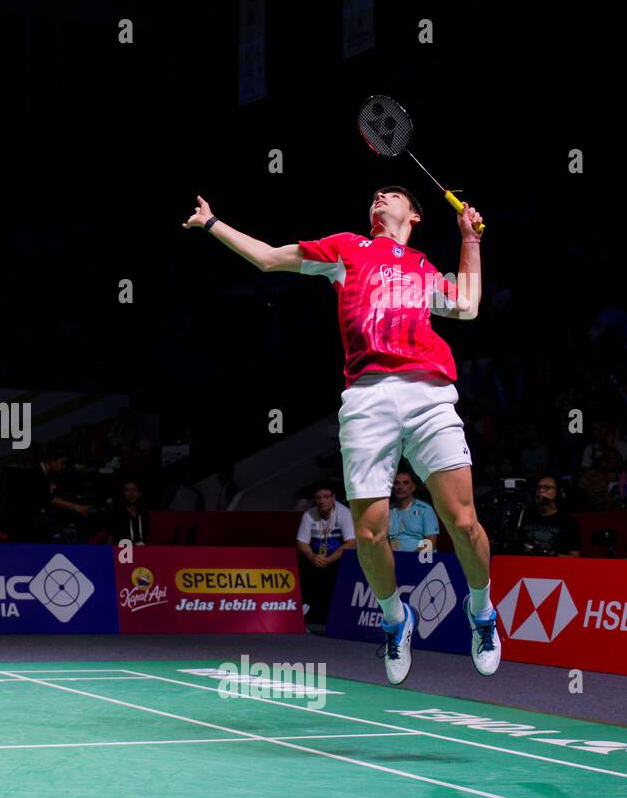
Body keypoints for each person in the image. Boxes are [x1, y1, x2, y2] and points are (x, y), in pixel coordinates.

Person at [187, 186, 499, 683]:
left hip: (429, 392)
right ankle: (396, 621)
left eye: (392, 194)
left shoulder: (422, 266)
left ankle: (481, 613)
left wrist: (469, 239)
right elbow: (269, 259)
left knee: (463, 523)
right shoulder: (346, 250)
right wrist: (212, 224)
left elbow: (467, 305)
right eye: (375, 194)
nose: (379, 196)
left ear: (414, 215)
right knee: (371, 534)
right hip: (368, 397)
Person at [295, 485, 355, 629]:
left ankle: (336, 615)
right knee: (301, 563)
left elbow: (351, 542)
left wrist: (329, 560)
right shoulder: (309, 515)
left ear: (333, 498)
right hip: (315, 557)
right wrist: (312, 556)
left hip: (336, 558)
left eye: (326, 497)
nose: (322, 501)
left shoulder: (344, 513)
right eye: (318, 498)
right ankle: (302, 612)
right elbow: (301, 542)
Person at [523, 476, 581, 556]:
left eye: (547, 487)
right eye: (539, 487)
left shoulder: (568, 522)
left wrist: (552, 555)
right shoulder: (525, 516)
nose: (541, 490)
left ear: (558, 492)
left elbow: (574, 556)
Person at [388, 470, 439, 553]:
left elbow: (430, 542)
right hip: (392, 558)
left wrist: (410, 559)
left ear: (413, 487)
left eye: (405, 483)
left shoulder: (425, 509)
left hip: (419, 558)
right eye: (397, 483)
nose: (400, 487)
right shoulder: (387, 511)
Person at [108, 479, 149, 545]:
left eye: (134, 490)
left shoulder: (144, 513)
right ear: (123, 494)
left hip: (142, 550)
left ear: (139, 494)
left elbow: (146, 536)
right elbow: (111, 537)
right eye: (127, 490)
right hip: (123, 551)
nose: (131, 493)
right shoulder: (116, 514)